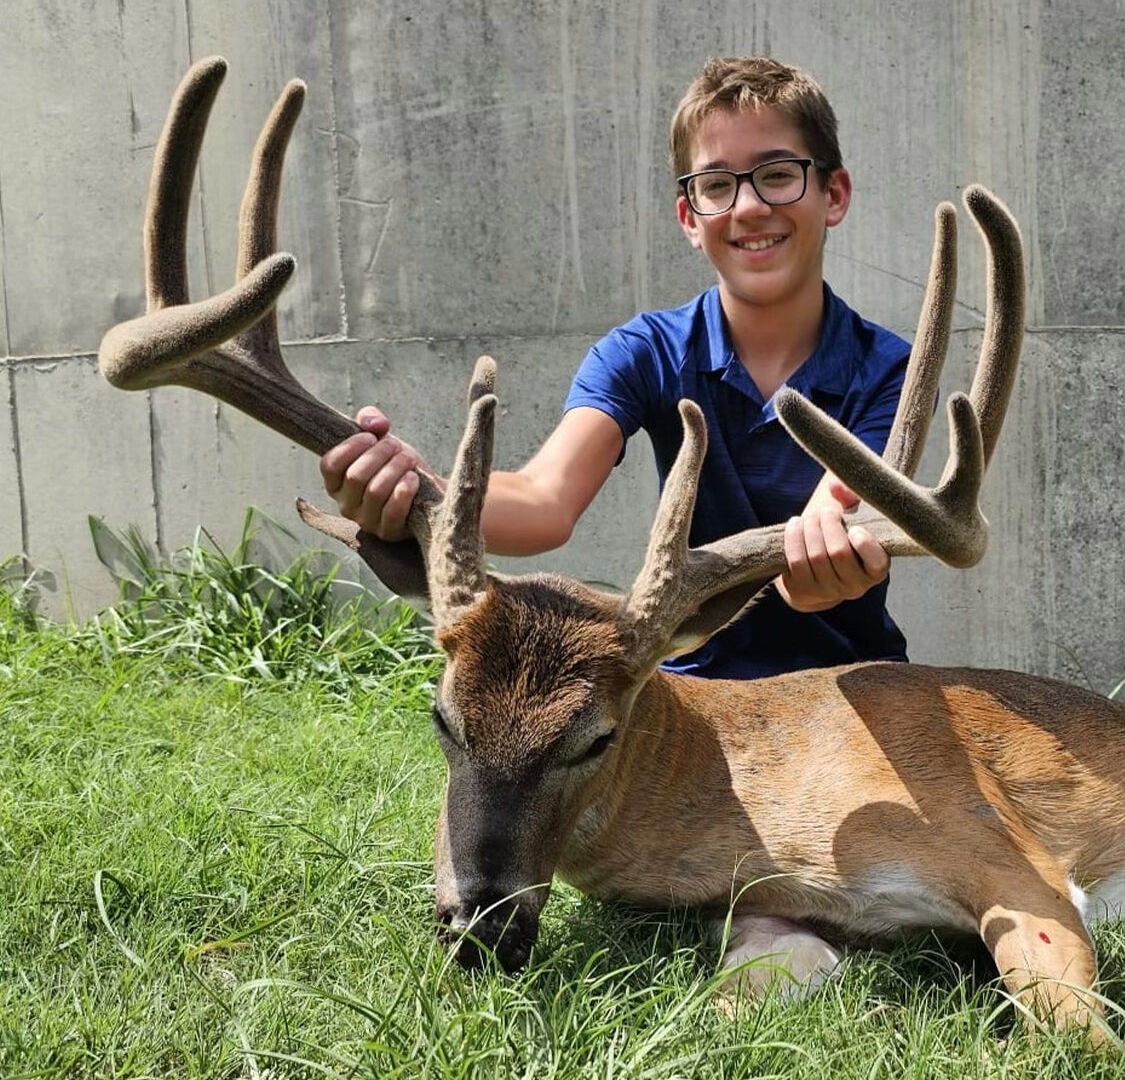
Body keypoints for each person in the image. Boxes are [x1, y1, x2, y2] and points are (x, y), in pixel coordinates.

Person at [319, 56, 911, 680]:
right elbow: (546, 501)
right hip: (689, 700)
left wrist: (821, 560)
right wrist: (421, 488)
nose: (749, 207)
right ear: (689, 217)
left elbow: (816, 547)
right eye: (716, 185)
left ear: (833, 193)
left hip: (854, 689)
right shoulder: (646, 350)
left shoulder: (887, 368)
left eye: (778, 174)